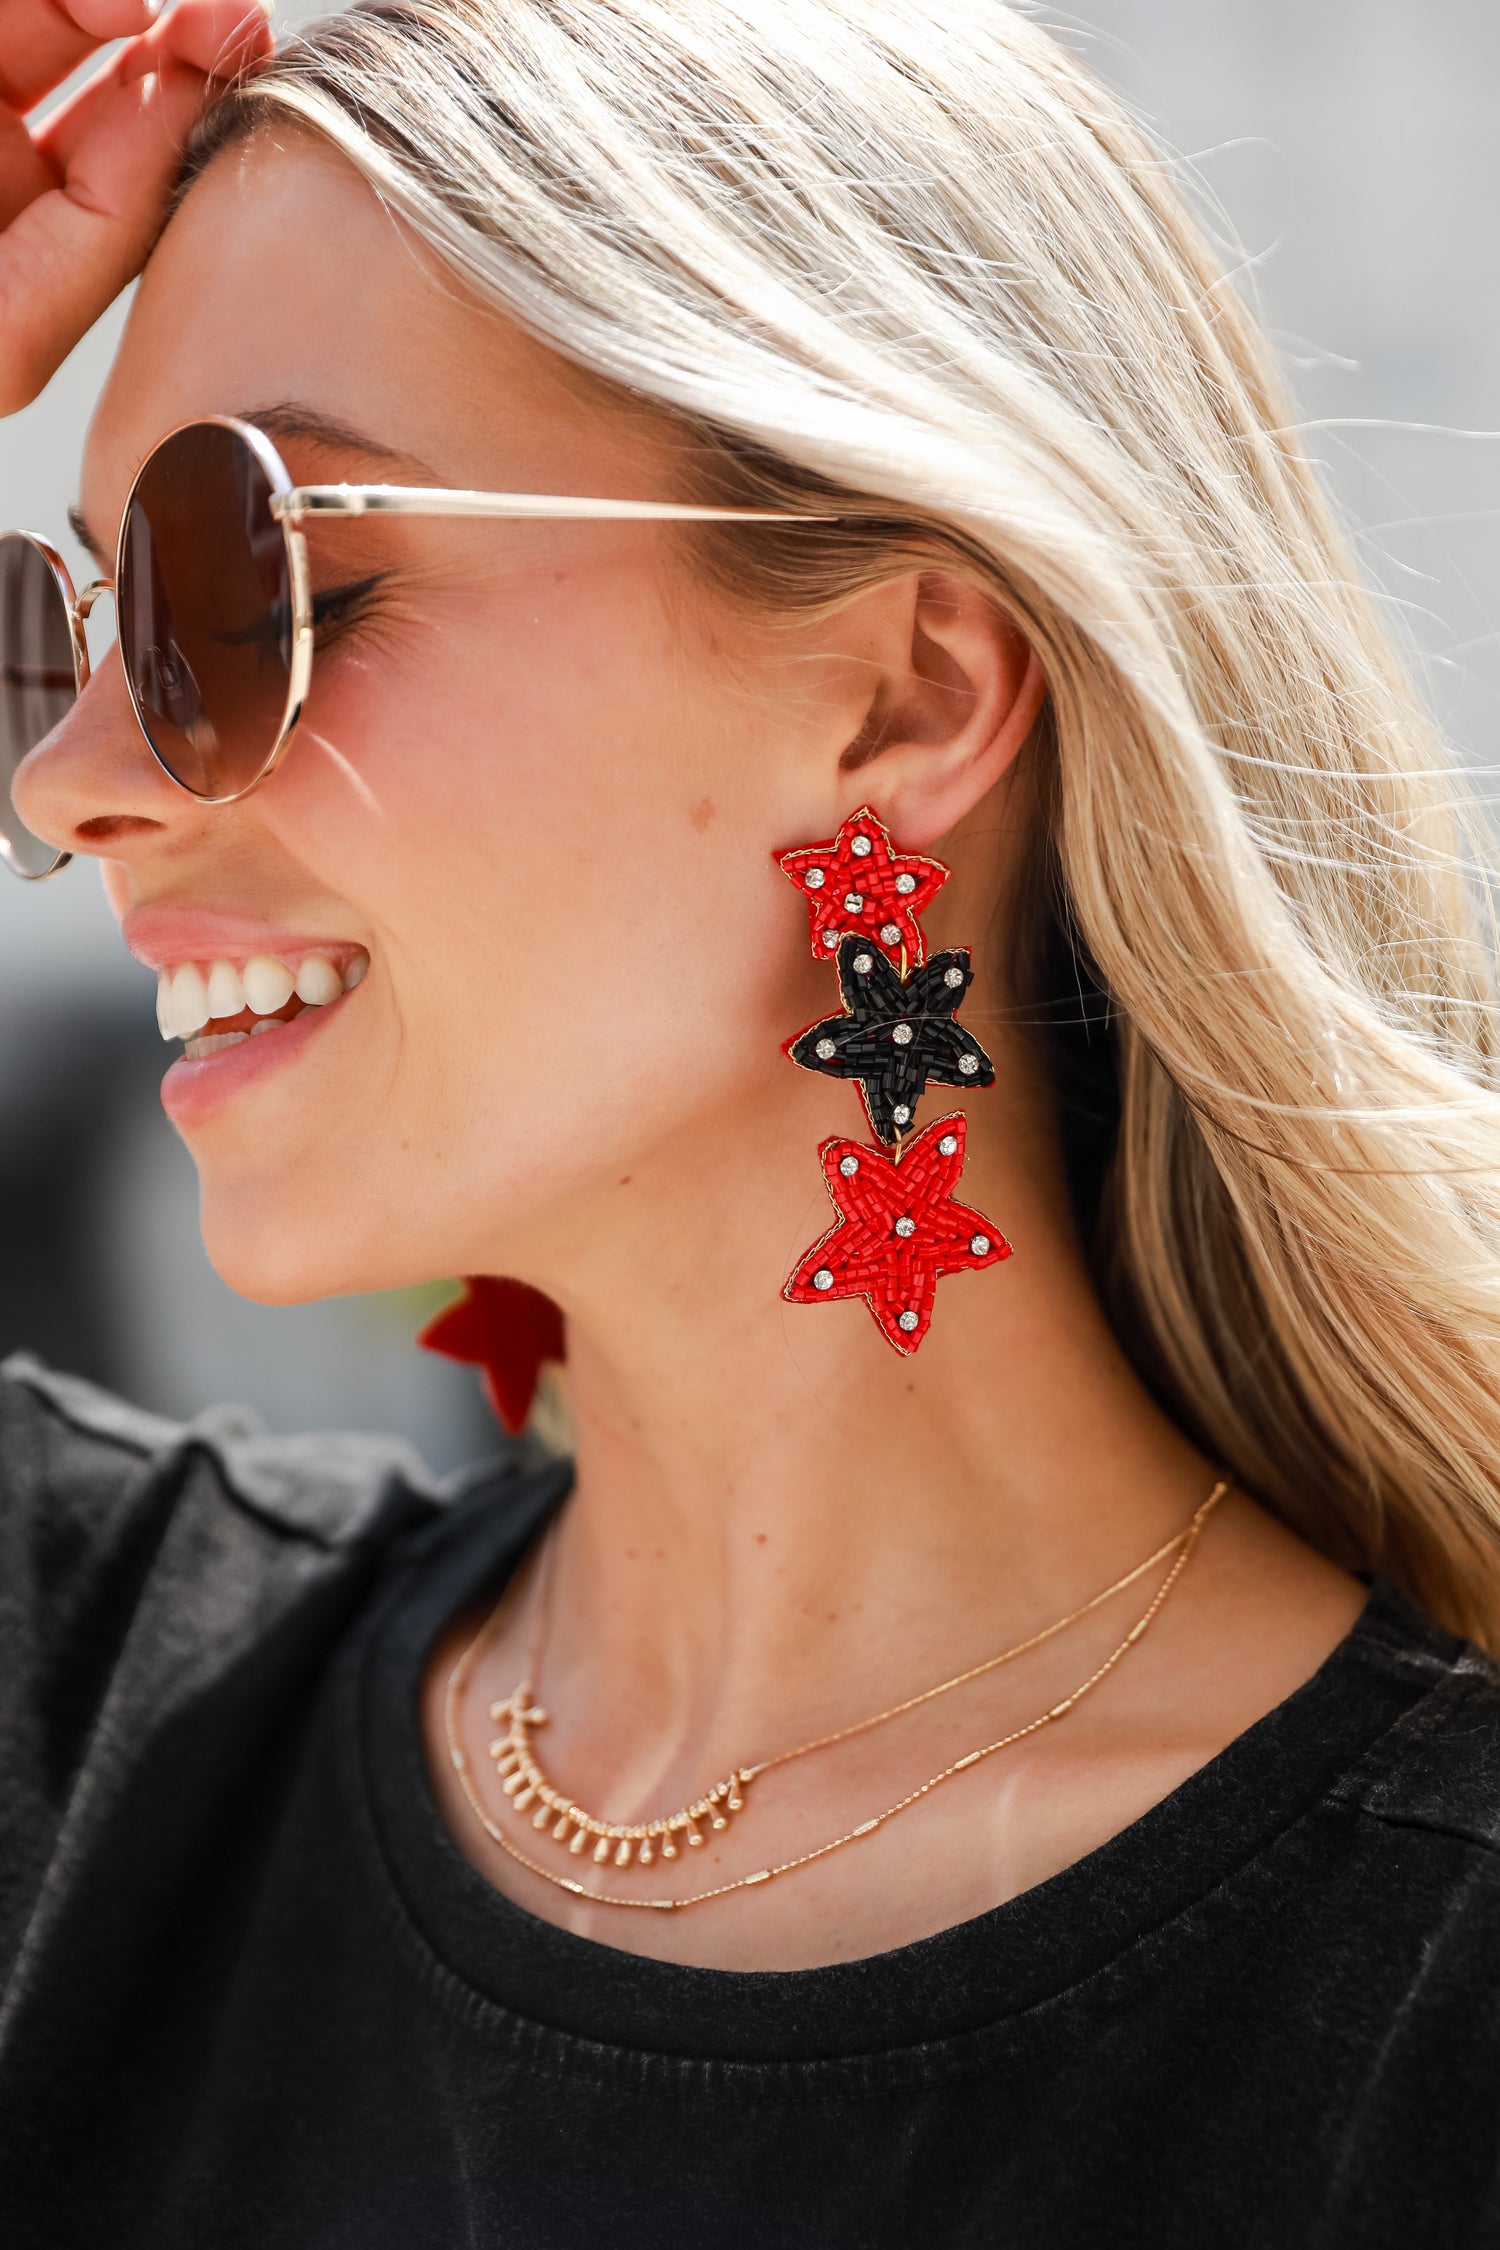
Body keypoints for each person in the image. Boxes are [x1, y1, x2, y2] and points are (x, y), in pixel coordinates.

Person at [3, 0, 1500, 2241]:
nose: (67, 778)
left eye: (249, 580)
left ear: (906, 692)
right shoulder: (79, 1707)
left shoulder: (1437, 2020)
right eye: (69, 625)